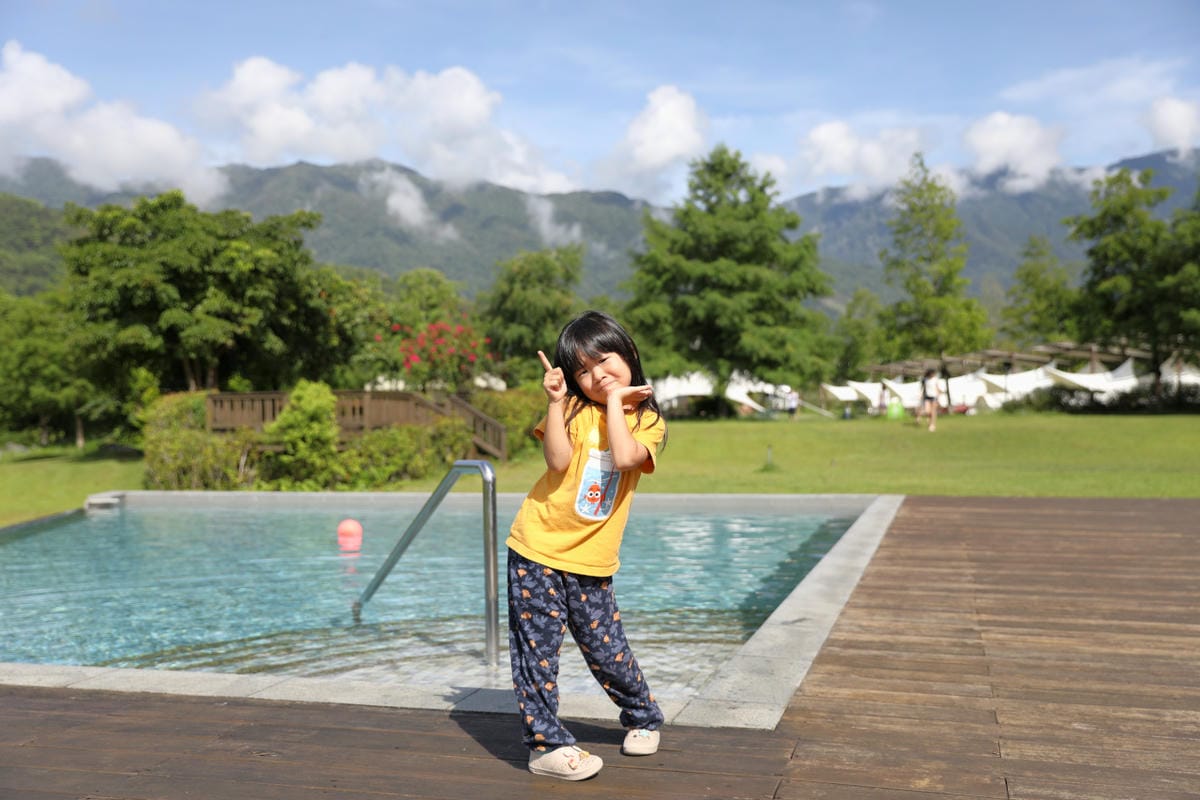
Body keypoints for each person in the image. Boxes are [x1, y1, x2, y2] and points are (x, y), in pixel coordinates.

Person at [506, 310, 667, 781]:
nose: (596, 376)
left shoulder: (649, 421)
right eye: (582, 370)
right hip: (536, 546)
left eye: (604, 361)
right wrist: (557, 401)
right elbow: (556, 463)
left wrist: (617, 402)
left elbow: (624, 456)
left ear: (629, 353)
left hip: (591, 559)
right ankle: (546, 746)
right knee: (537, 651)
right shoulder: (574, 408)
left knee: (605, 647)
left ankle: (642, 717)